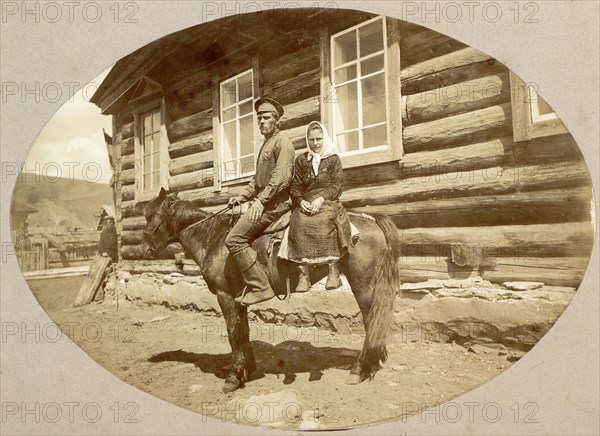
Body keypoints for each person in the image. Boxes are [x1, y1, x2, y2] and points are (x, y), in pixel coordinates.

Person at [225, 97, 296, 305]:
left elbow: (281, 178)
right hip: (267, 202)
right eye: (259, 119)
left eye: (266, 118)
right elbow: (258, 179)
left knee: (234, 239)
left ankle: (261, 286)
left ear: (277, 121)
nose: (261, 122)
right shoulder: (267, 144)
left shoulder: (283, 143)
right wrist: (242, 197)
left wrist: (260, 202)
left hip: (277, 206)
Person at [288, 121, 351, 292]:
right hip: (306, 201)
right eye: (311, 139)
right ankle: (304, 274)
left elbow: (337, 186)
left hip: (327, 200)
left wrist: (321, 199)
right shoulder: (301, 160)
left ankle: (333, 271)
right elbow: (295, 187)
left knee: (325, 219)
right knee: (298, 220)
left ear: (325, 138)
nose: (315, 143)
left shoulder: (333, 159)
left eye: (319, 139)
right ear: (307, 140)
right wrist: (301, 201)